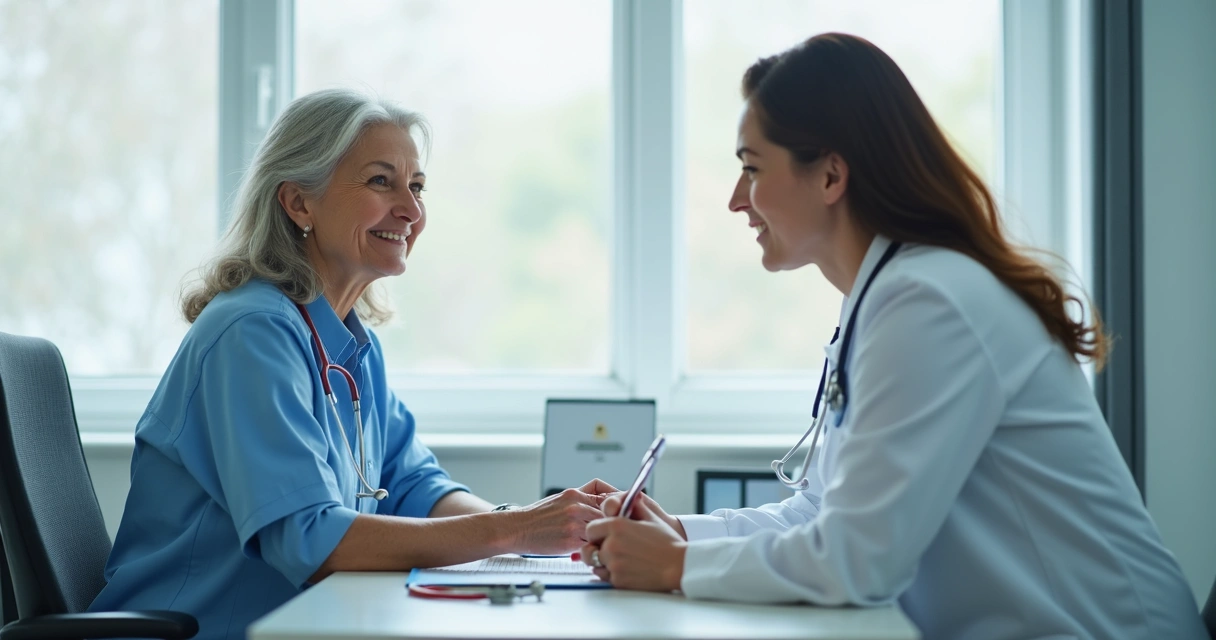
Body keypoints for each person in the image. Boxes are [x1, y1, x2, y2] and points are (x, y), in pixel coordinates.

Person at [579, 33, 1207, 639]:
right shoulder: (888, 297)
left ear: (830, 176)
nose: (736, 200)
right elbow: (819, 515)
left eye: (751, 168)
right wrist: (680, 538)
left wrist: (677, 566)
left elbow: (856, 562)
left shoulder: (931, 302)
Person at [89, 89, 614, 638]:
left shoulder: (350, 344)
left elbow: (414, 485)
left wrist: (547, 533)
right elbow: (309, 540)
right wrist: (515, 531)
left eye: (416, 186)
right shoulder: (251, 332)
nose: (411, 210)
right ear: (298, 203)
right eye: (381, 181)